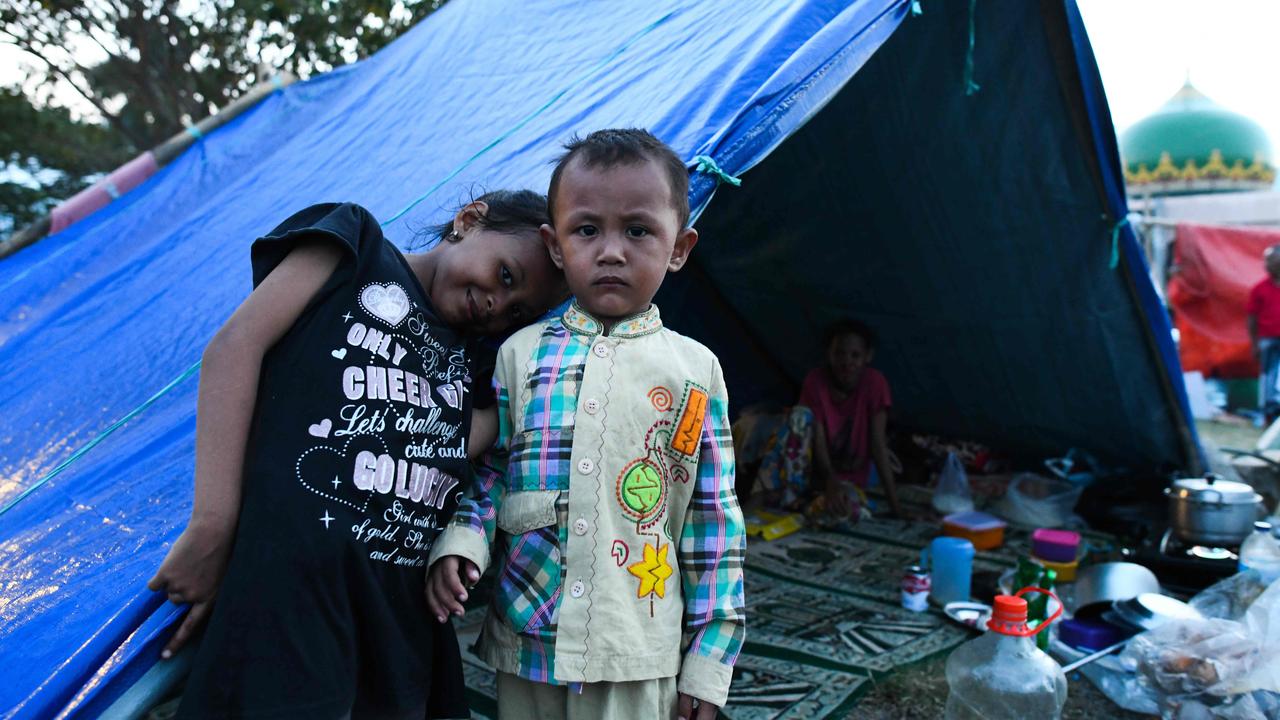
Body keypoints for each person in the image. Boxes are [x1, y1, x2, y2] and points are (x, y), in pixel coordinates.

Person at [147, 191, 567, 719]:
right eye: (506, 276)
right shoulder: (357, 248)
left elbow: (488, 435)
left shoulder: (475, 366)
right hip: (292, 605)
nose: (497, 307)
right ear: (469, 218)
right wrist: (214, 525)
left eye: (517, 313)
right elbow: (236, 347)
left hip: (402, 639)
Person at [425, 129, 745, 720]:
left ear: (680, 248)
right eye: (587, 230)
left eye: (639, 230)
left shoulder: (695, 371)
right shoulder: (518, 355)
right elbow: (490, 473)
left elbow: (713, 525)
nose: (612, 251)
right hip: (529, 642)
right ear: (555, 246)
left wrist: (709, 658)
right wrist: (463, 541)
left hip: (637, 651)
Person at [752, 319, 904, 521]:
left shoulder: (875, 384)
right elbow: (818, 438)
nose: (847, 362)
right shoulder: (816, 381)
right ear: (828, 354)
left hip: (850, 480)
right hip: (812, 474)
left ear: (868, 357)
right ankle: (780, 497)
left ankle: (794, 503)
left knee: (844, 511)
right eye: (839, 353)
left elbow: (878, 444)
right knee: (799, 415)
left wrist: (896, 507)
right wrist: (830, 481)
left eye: (855, 355)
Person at [1248, 245, 1280, 424]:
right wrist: (1255, 343)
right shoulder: (1260, 288)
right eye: (1268, 262)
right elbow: (1251, 317)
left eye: (1273, 262)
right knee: (1268, 377)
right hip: (1268, 339)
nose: (1269, 266)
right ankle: (1268, 414)